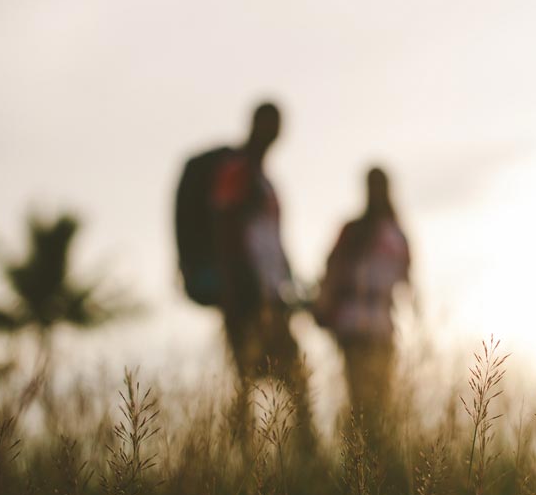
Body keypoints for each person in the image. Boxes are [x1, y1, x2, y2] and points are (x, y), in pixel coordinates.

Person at [175, 101, 315, 451]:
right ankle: (250, 461)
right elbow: (224, 228)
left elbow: (272, 241)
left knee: (281, 377)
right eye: (267, 124)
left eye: (276, 126)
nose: (272, 132)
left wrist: (291, 286)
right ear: (254, 124)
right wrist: (233, 292)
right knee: (255, 376)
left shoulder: (264, 180)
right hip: (246, 293)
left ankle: (283, 458)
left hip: (271, 295)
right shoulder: (237, 170)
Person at [313, 167, 410, 434]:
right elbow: (332, 269)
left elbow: (408, 281)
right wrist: (324, 306)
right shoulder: (355, 230)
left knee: (382, 396)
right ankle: (361, 456)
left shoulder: (397, 234)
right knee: (360, 397)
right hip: (353, 322)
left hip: (382, 323)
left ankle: (375, 452)